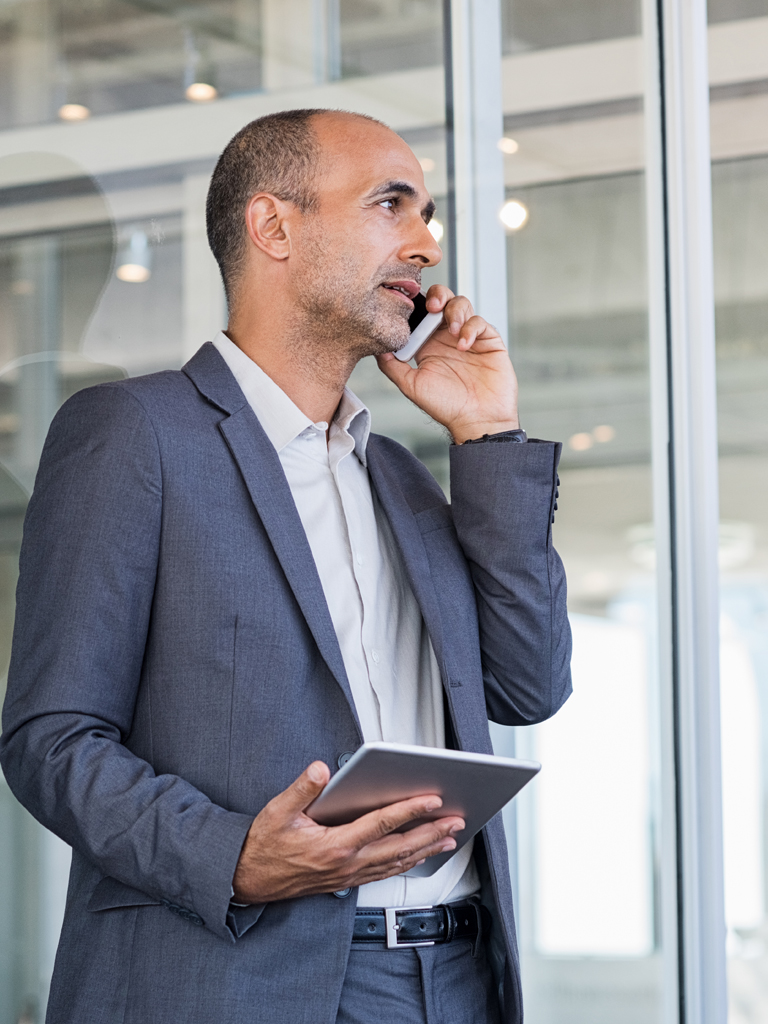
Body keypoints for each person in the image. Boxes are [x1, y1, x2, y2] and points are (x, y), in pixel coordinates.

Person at [0, 108, 571, 1024]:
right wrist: (232, 855)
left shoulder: (401, 477)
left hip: (458, 979)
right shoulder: (136, 435)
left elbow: (529, 686)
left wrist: (488, 433)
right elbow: (51, 737)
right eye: (393, 205)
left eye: (427, 214)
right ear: (274, 227)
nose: (426, 245)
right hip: (247, 981)